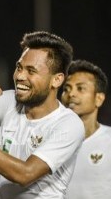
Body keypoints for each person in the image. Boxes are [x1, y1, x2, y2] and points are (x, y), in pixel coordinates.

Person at [0, 31, 85, 198]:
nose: (20, 76)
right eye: (19, 67)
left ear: (56, 80)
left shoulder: (69, 124)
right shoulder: (10, 101)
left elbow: (25, 175)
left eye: (31, 71)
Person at [61, 59, 111, 199]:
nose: (71, 94)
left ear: (99, 99)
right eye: (66, 89)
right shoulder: (50, 140)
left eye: (80, 88)